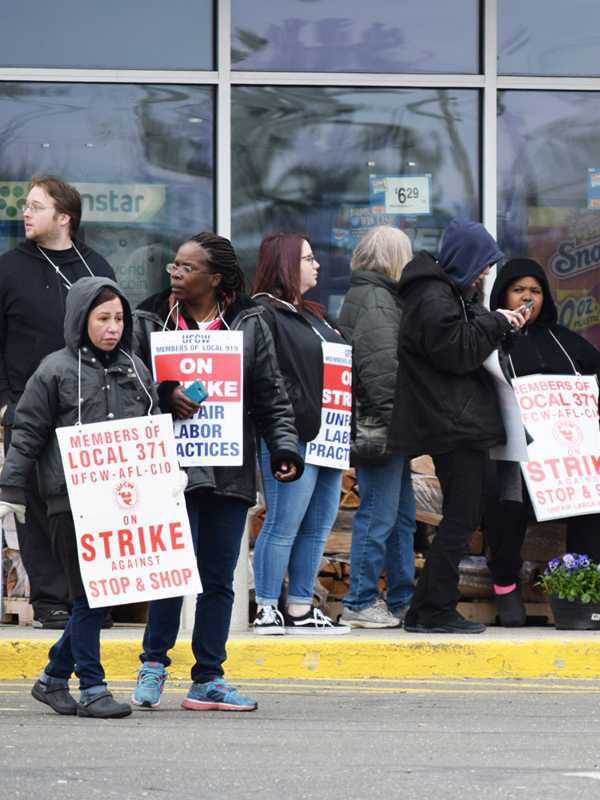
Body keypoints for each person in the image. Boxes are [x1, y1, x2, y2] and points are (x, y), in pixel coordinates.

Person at [132, 232, 303, 711]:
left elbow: (271, 390)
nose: (175, 272)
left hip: (229, 469)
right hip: (169, 467)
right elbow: (129, 383)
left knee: (219, 576)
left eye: (187, 267)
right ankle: (153, 663)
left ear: (216, 278)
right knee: (170, 571)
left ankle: (208, 677)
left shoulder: (250, 321)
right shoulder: (147, 318)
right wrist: (164, 393)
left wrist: (284, 448)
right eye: (174, 265)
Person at [0, 276, 156, 718]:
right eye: (102, 318)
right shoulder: (54, 370)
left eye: (119, 319)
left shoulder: (135, 370)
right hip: (68, 500)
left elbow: (151, 425)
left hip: (123, 502)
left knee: (102, 597)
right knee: (90, 596)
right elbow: (26, 433)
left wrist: (169, 476)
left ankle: (52, 678)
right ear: (80, 319)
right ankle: (92, 687)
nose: (112, 327)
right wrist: (10, 489)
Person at [388, 219, 529, 634]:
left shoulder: (447, 294)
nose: (487, 273)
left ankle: (423, 609)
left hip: (460, 422)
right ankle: (435, 610)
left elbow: (468, 344)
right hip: (453, 424)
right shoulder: (433, 296)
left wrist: (502, 327)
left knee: (463, 516)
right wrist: (496, 323)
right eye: (484, 264)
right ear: (467, 261)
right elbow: (458, 352)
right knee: (461, 518)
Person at [0, 175, 115, 629]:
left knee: (90, 507)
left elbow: (113, 334)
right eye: (26, 206)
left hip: (87, 409)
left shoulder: (95, 267)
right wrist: (5, 404)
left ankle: (89, 600)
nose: (25, 213)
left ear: (64, 217)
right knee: (33, 507)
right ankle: (50, 600)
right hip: (26, 411)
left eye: (36, 206)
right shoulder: (8, 269)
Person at [484, 257, 600, 626]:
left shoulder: (565, 341)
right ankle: (506, 587)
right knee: (508, 507)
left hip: (565, 459)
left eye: (534, 290)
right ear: (504, 294)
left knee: (591, 507)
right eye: (519, 290)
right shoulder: (489, 337)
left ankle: (582, 591)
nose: (527, 298)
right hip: (514, 456)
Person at [251, 233, 350, 635]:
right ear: (285, 263)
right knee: (285, 519)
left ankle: (300, 606)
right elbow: (267, 374)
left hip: (332, 433)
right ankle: (267, 606)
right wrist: (292, 415)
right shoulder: (264, 312)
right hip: (292, 432)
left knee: (318, 524)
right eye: (308, 259)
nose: (317, 266)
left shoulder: (316, 315)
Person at [336, 226, 416, 628]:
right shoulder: (378, 301)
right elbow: (385, 373)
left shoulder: (370, 295)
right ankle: (360, 600)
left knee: (400, 516)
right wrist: (401, 425)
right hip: (382, 426)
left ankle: (403, 597)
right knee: (379, 515)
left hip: (382, 424)